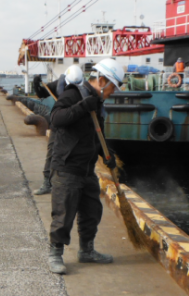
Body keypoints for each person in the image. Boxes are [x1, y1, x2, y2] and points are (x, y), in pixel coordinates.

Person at [47, 59, 124, 274]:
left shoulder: (97, 102)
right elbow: (56, 119)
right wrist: (82, 107)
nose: (112, 92)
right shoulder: (73, 94)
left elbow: (97, 132)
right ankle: (55, 253)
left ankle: (87, 250)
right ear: (101, 80)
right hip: (67, 166)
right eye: (112, 87)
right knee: (64, 213)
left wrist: (107, 154)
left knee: (92, 211)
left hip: (86, 168)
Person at [32, 65, 84, 195]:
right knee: (52, 153)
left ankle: (77, 183)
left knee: (77, 154)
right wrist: (36, 83)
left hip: (75, 126)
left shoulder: (84, 90)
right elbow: (42, 93)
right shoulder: (58, 85)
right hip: (59, 124)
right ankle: (47, 183)